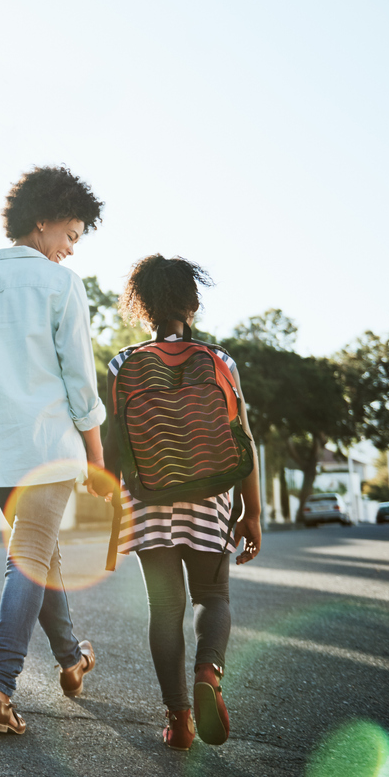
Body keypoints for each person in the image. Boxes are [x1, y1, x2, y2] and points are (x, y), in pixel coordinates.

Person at [0, 165, 109, 735]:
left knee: (40, 555)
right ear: (42, 221)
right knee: (31, 556)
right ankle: (0, 689)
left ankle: (71, 659)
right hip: (49, 446)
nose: (69, 248)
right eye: (70, 234)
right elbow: (80, 384)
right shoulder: (61, 286)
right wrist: (96, 459)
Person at [109, 255, 262, 751]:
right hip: (210, 500)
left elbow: (114, 446)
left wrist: (114, 512)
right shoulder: (221, 361)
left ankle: (178, 719)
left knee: (164, 608)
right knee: (212, 598)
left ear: (143, 306)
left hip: (148, 502)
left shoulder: (122, 364)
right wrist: (252, 512)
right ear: (192, 306)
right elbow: (245, 440)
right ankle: (208, 674)